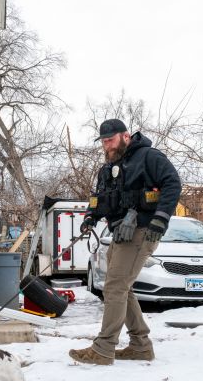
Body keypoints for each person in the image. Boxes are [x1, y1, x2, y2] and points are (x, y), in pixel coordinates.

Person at [68, 119, 181, 365]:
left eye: (111, 140)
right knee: (122, 288)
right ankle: (140, 345)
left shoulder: (148, 157)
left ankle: (103, 348)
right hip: (119, 234)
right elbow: (98, 199)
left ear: (126, 136)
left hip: (142, 231)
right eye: (104, 142)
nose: (107, 145)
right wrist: (90, 217)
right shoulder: (107, 169)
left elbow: (173, 183)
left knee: (115, 287)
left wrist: (160, 220)